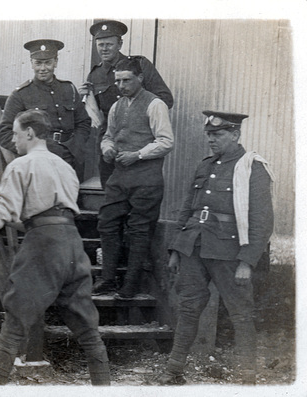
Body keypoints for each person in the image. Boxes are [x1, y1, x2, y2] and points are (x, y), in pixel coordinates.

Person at [0, 109, 110, 385]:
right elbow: (38, 218)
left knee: (13, 327)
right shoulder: (65, 167)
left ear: (30, 133)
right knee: (88, 332)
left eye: (17, 134)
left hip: (43, 246)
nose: (14, 140)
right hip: (71, 243)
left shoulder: (21, 165)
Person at [156, 111, 273, 385]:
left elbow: (262, 220)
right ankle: (174, 371)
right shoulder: (205, 165)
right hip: (194, 246)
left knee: (241, 314)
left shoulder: (252, 168)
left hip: (229, 251)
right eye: (209, 135)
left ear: (235, 134)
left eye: (217, 135)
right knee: (188, 309)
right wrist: (175, 249)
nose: (211, 140)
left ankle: (247, 377)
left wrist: (247, 261)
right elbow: (188, 208)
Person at [93, 57, 174, 299]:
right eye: (117, 81)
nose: (121, 85)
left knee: (139, 230)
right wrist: (106, 147)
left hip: (146, 178)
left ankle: (131, 285)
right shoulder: (117, 106)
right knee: (107, 221)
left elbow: (166, 141)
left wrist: (138, 155)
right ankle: (108, 279)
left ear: (140, 78)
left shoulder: (155, 104)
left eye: (126, 80)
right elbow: (108, 136)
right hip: (120, 176)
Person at [82, 20, 173, 189]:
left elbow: (165, 99)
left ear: (120, 44)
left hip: (139, 147)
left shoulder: (139, 65)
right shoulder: (95, 75)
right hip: (111, 147)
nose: (104, 49)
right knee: (111, 195)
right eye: (100, 45)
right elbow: (95, 115)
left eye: (109, 44)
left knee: (140, 199)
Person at [0, 39, 91, 180]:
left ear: (56, 62)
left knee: (71, 199)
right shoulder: (20, 95)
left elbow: (83, 122)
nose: (43, 68)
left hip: (70, 159)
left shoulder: (68, 89)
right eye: (38, 63)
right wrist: (34, 149)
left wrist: (74, 148)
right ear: (31, 63)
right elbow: (4, 133)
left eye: (47, 62)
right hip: (38, 162)